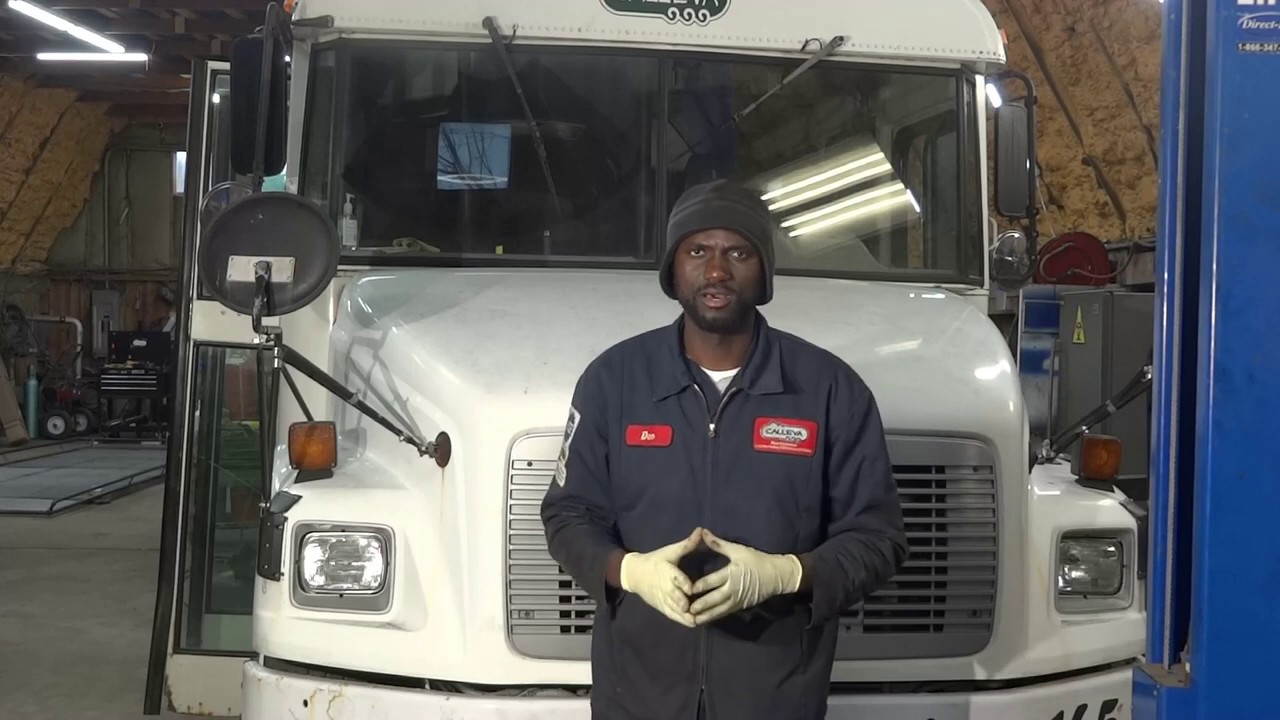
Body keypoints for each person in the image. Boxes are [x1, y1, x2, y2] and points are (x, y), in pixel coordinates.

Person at [540, 179, 908, 720]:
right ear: (673, 270)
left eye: (738, 252)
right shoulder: (614, 381)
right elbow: (568, 515)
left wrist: (788, 574)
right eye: (697, 252)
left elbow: (878, 539)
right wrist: (629, 570)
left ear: (764, 271)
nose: (716, 271)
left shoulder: (829, 390)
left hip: (778, 697)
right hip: (636, 697)